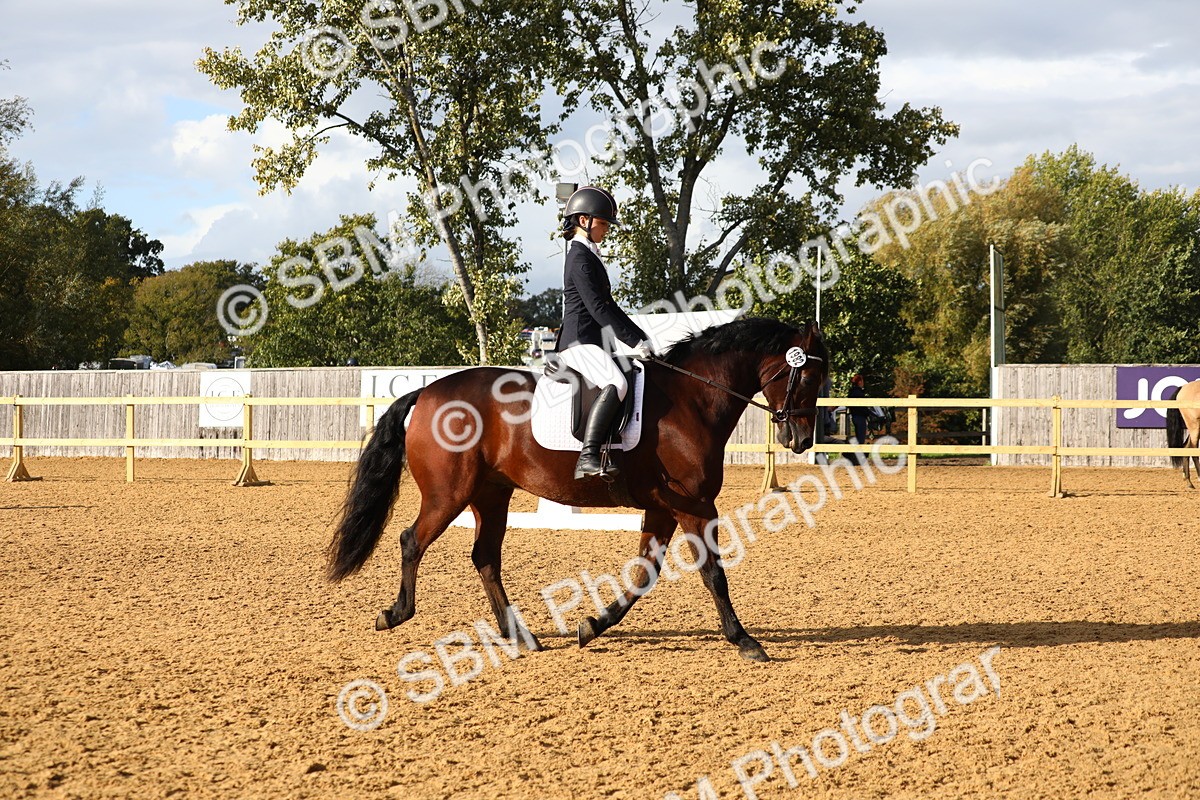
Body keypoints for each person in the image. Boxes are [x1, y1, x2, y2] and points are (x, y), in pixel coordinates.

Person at [555, 186, 655, 480]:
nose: (607, 229)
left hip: (594, 341)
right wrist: (633, 340)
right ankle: (587, 457)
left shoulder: (589, 254)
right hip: (578, 341)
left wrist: (641, 337)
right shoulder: (579, 257)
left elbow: (611, 306)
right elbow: (598, 308)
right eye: (603, 223)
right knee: (616, 383)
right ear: (583, 220)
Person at [848, 372, 868, 446]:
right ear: (859, 382)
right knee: (861, 438)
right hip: (860, 416)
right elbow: (862, 407)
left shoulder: (852, 392)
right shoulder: (859, 393)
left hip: (855, 416)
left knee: (858, 436)